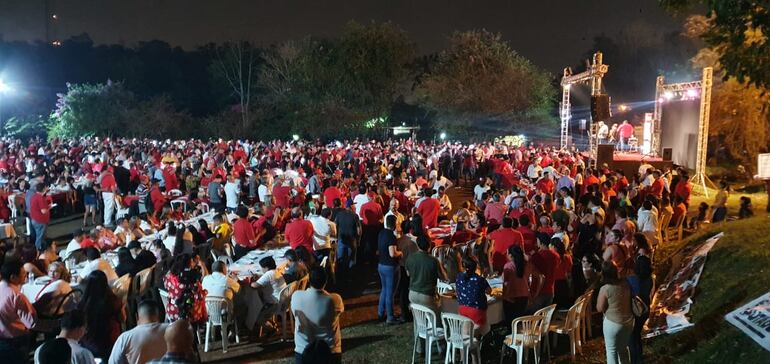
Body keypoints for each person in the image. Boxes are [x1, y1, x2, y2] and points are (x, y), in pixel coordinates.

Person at [290, 267, 344, 364]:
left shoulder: (296, 296)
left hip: (302, 351)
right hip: (330, 351)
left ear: (309, 280)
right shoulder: (335, 299)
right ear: (326, 280)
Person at [78, 270, 125, 360]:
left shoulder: (82, 304)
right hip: (110, 342)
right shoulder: (113, 302)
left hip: (88, 344)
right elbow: (122, 319)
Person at [0, 259, 37, 364]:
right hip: (16, 339)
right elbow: (31, 322)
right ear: (13, 277)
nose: (26, 276)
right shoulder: (16, 296)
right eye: (23, 274)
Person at [109, 300, 168, 364]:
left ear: (137, 317)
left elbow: (113, 362)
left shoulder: (125, 337)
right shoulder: (172, 330)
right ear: (159, 315)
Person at [597, 261, 634, 364]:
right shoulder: (625, 283)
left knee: (611, 351)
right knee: (623, 349)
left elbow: (599, 308)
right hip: (628, 321)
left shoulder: (605, 289)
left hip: (613, 323)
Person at [405, 235, 446, 318]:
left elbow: (408, 274)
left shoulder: (410, 258)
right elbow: (444, 278)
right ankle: (438, 328)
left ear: (417, 245)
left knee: (420, 317)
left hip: (412, 294)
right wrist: (441, 263)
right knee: (438, 317)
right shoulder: (433, 260)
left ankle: (421, 328)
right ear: (430, 245)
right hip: (427, 296)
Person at [163, 254, 206, 324]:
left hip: (172, 312)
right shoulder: (192, 281)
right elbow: (200, 296)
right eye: (191, 262)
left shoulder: (168, 278)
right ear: (188, 266)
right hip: (191, 314)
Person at [455, 257, 492, 334]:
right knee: (484, 328)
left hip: (462, 309)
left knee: (467, 328)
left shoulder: (459, 277)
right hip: (476, 311)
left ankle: (468, 337)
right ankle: (479, 338)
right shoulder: (480, 280)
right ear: (476, 268)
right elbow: (489, 291)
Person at [377, 215, 403, 324]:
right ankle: (390, 317)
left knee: (384, 290)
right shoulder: (391, 237)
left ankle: (381, 312)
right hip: (390, 267)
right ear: (394, 224)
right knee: (390, 293)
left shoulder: (381, 233)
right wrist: (400, 253)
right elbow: (392, 253)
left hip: (381, 265)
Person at [250, 256, 286, 330]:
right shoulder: (277, 271)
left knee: (257, 318)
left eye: (262, 268)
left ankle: (272, 329)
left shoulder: (269, 274)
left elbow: (254, 285)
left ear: (266, 267)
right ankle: (271, 323)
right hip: (284, 301)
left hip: (274, 304)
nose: (261, 269)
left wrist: (250, 282)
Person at [502, 246, 536, 324]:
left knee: (511, 323)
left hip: (511, 298)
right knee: (520, 321)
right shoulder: (528, 265)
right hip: (524, 297)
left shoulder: (508, 266)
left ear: (510, 255)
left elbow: (505, 284)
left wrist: (504, 296)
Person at [530, 234, 560, 311]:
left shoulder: (537, 256)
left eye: (537, 241)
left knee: (534, 318)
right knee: (545, 319)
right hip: (550, 290)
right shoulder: (556, 255)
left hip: (538, 290)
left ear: (541, 243)